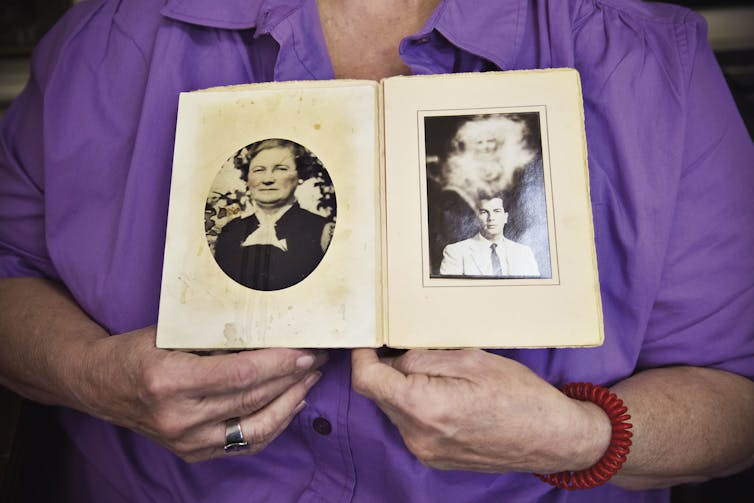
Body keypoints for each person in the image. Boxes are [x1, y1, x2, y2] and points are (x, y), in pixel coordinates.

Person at [0, 0, 753, 502]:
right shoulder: (108, 41)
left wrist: (577, 435)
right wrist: (93, 376)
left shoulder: (648, 59)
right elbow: (9, 271)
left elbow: (737, 399)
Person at [212, 139, 332, 291]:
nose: (267, 179)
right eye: (259, 170)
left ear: (300, 176)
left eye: (281, 169)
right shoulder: (230, 231)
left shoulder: (322, 231)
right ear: (247, 178)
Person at [426, 113, 538, 274]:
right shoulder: (455, 183)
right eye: (479, 142)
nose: (485, 147)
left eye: (491, 142)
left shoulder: (513, 173)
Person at [440, 196, 540, 277]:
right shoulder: (456, 252)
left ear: (505, 217)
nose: (491, 218)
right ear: (476, 219)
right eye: (484, 212)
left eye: (496, 211)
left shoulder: (524, 252)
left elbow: (533, 290)